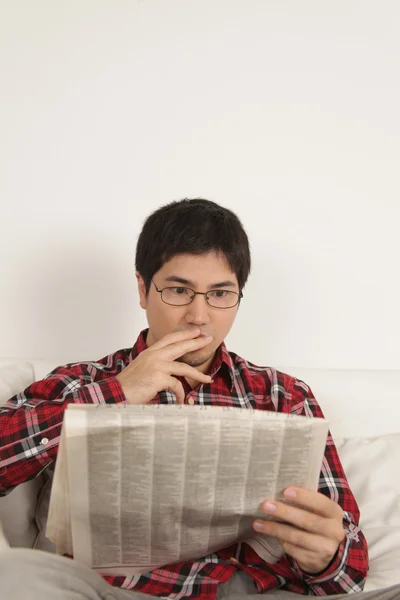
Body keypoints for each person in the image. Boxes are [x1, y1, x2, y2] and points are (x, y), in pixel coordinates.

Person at [0, 197, 387, 600]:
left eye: (220, 293)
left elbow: (348, 577)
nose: (199, 316)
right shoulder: (81, 382)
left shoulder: (284, 395)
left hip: (250, 592)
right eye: (179, 290)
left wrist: (326, 556)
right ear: (142, 289)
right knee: (15, 575)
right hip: (113, 592)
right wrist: (118, 393)